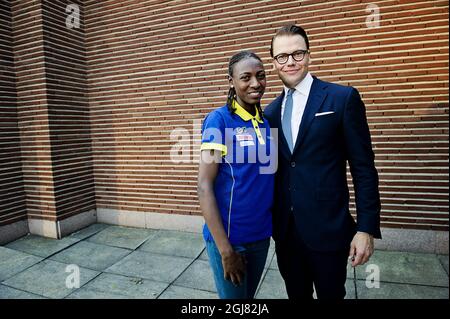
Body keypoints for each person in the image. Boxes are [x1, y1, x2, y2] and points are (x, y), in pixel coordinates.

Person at [264, 24, 381, 300]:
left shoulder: (341, 99)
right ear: (273, 63)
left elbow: (364, 168)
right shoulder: (268, 114)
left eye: (297, 53)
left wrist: (366, 228)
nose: (290, 61)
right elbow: (269, 173)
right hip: (286, 234)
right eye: (282, 56)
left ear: (309, 55)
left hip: (329, 232)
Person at [197, 51, 276, 299]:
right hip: (231, 240)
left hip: (261, 236)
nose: (255, 83)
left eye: (260, 76)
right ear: (231, 81)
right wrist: (225, 250)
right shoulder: (218, 120)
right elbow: (204, 186)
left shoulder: (265, 122)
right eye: (246, 77)